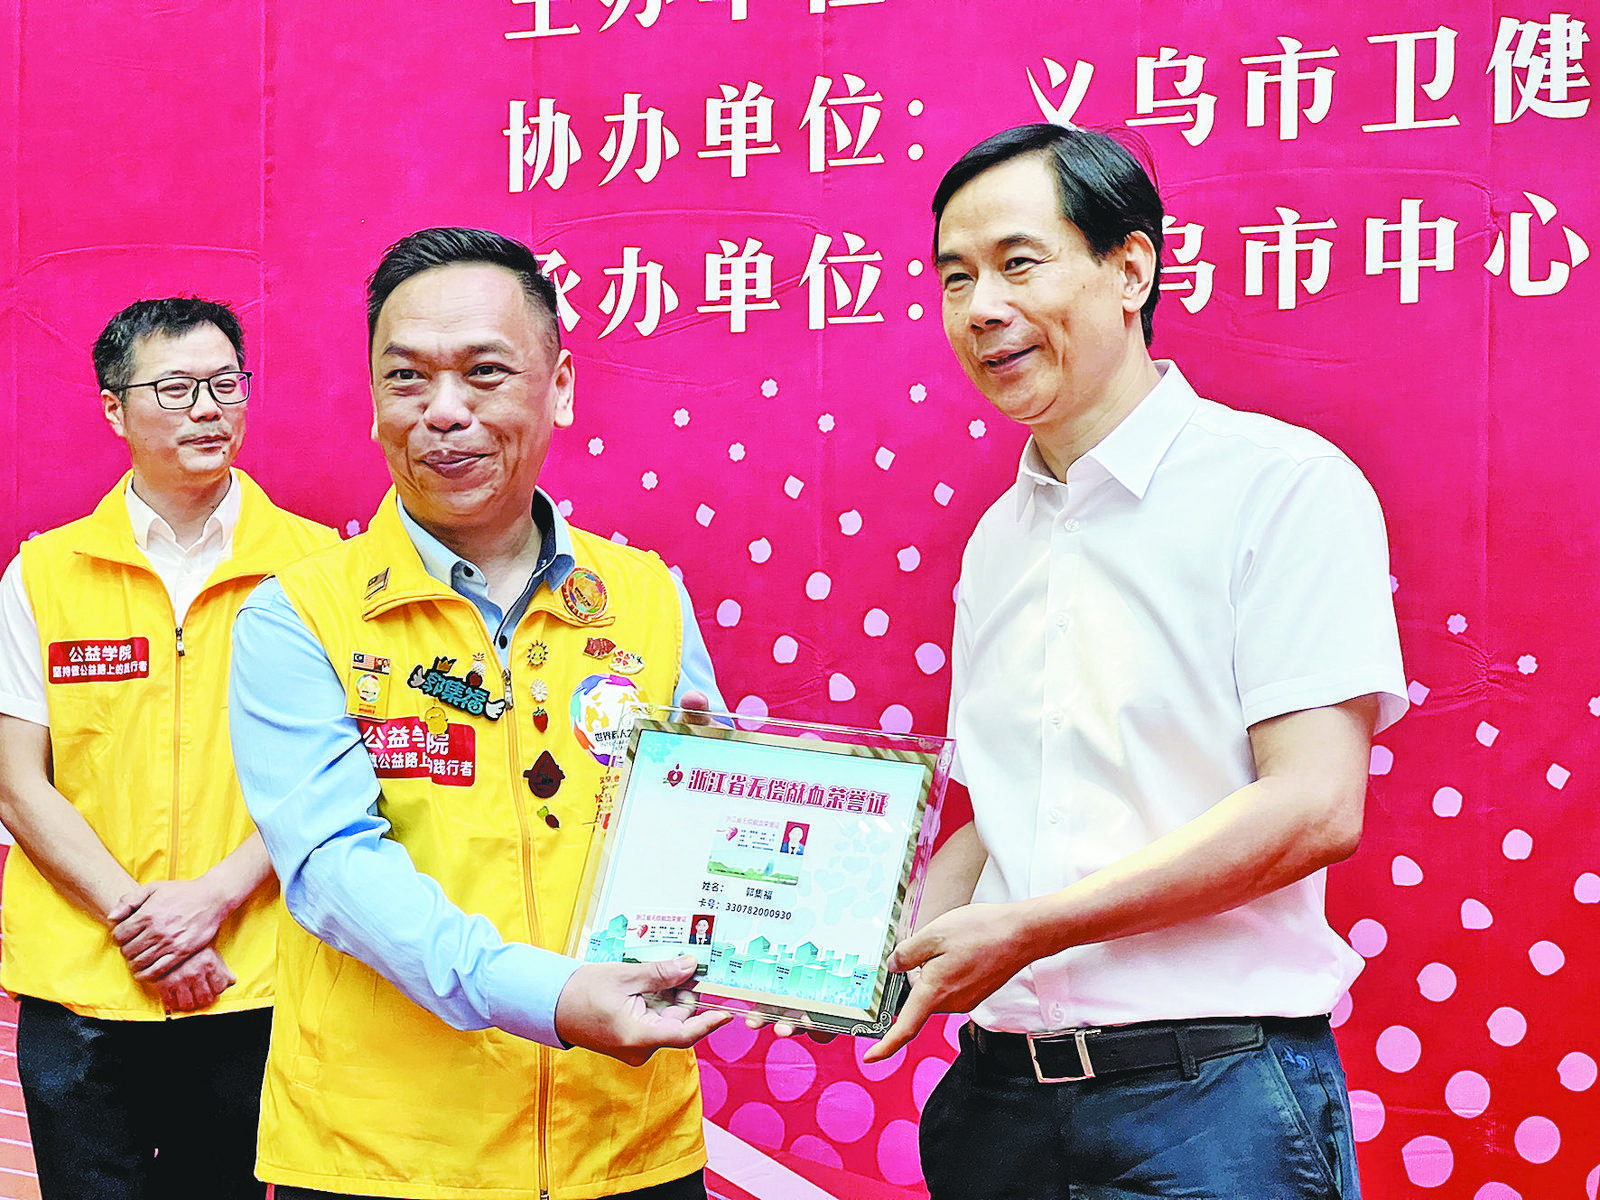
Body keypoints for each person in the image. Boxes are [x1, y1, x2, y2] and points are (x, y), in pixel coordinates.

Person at [866, 125, 1407, 1199]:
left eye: (1019, 262)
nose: (982, 308)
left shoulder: (1280, 486)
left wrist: (1027, 933)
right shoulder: (997, 540)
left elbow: (1314, 808)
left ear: (1130, 269)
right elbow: (1006, 819)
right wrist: (863, 960)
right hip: (1000, 1107)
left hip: (1212, 1103)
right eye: (956, 277)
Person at [229, 227, 733, 1200]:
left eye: (484, 372)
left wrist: (782, 946)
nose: (443, 412)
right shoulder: (297, 615)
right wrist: (555, 998)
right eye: (406, 378)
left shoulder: (648, 598)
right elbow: (333, 868)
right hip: (385, 1159)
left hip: (625, 1144)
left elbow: (703, 836)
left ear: (560, 387)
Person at [0, 297, 336, 1198]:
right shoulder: (43, 574)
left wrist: (212, 901)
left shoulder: (316, 571)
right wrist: (148, 925)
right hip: (83, 980)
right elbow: (17, 785)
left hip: (251, 972)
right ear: (115, 409)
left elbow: (337, 774)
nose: (208, 410)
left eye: (226, 384)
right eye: (177, 389)